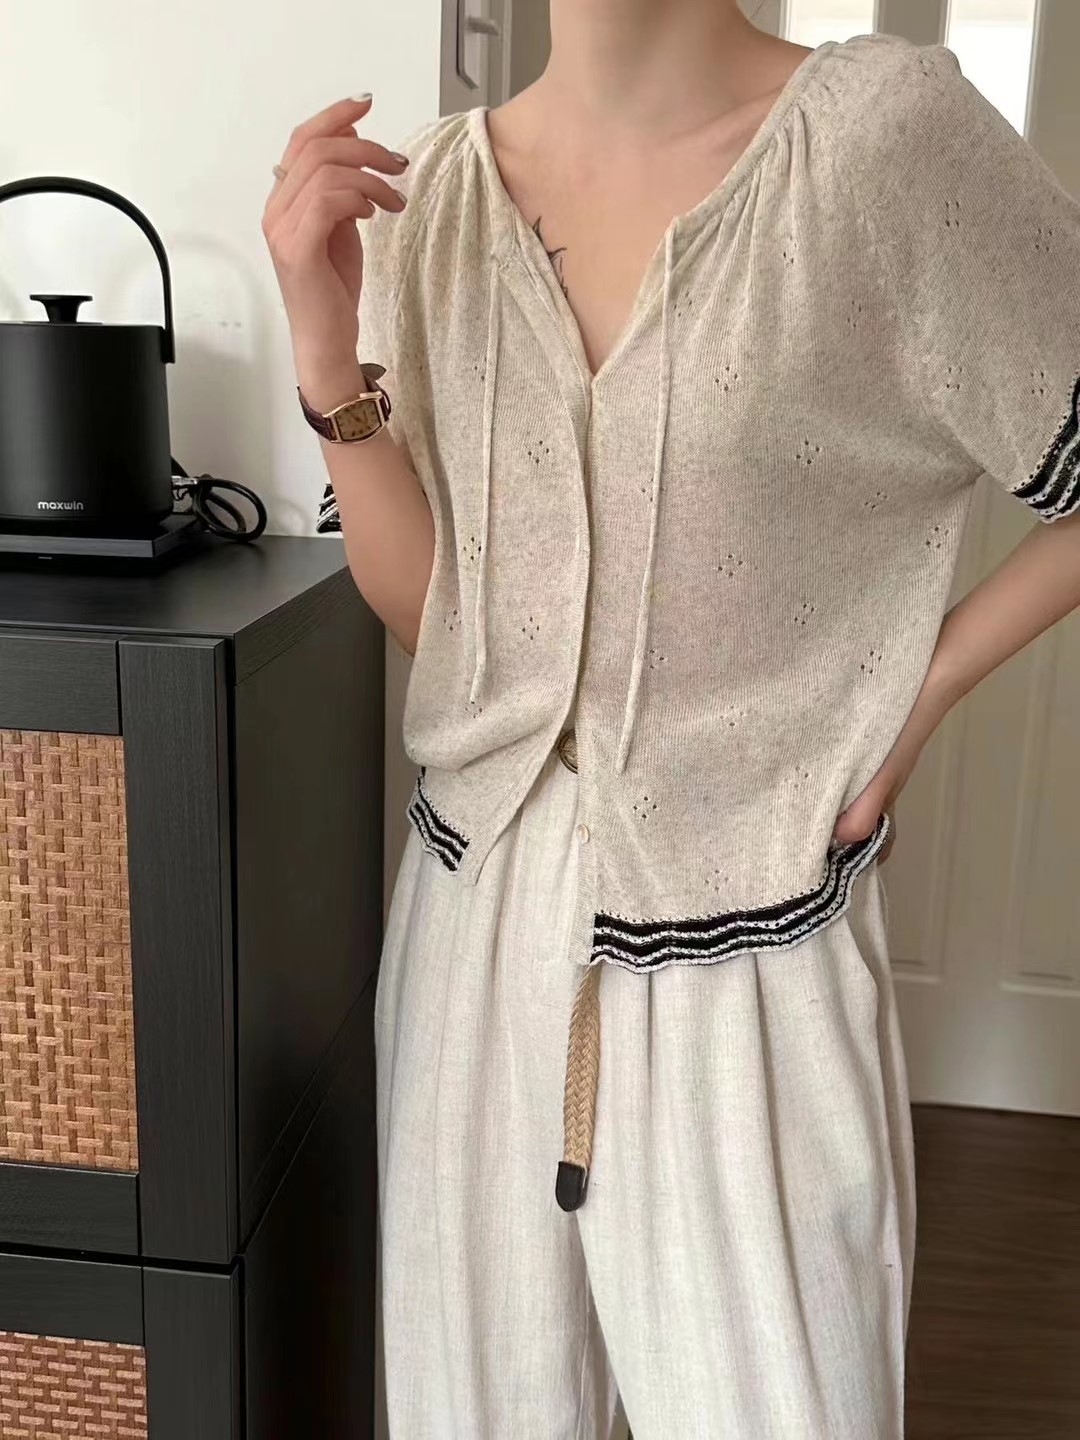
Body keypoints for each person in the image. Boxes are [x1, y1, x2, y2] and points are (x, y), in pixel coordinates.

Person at [262, 2, 1080, 1434]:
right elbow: (439, 620)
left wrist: (923, 690)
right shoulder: (432, 198)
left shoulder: (879, 146)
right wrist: (327, 355)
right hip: (473, 930)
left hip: (750, 949)